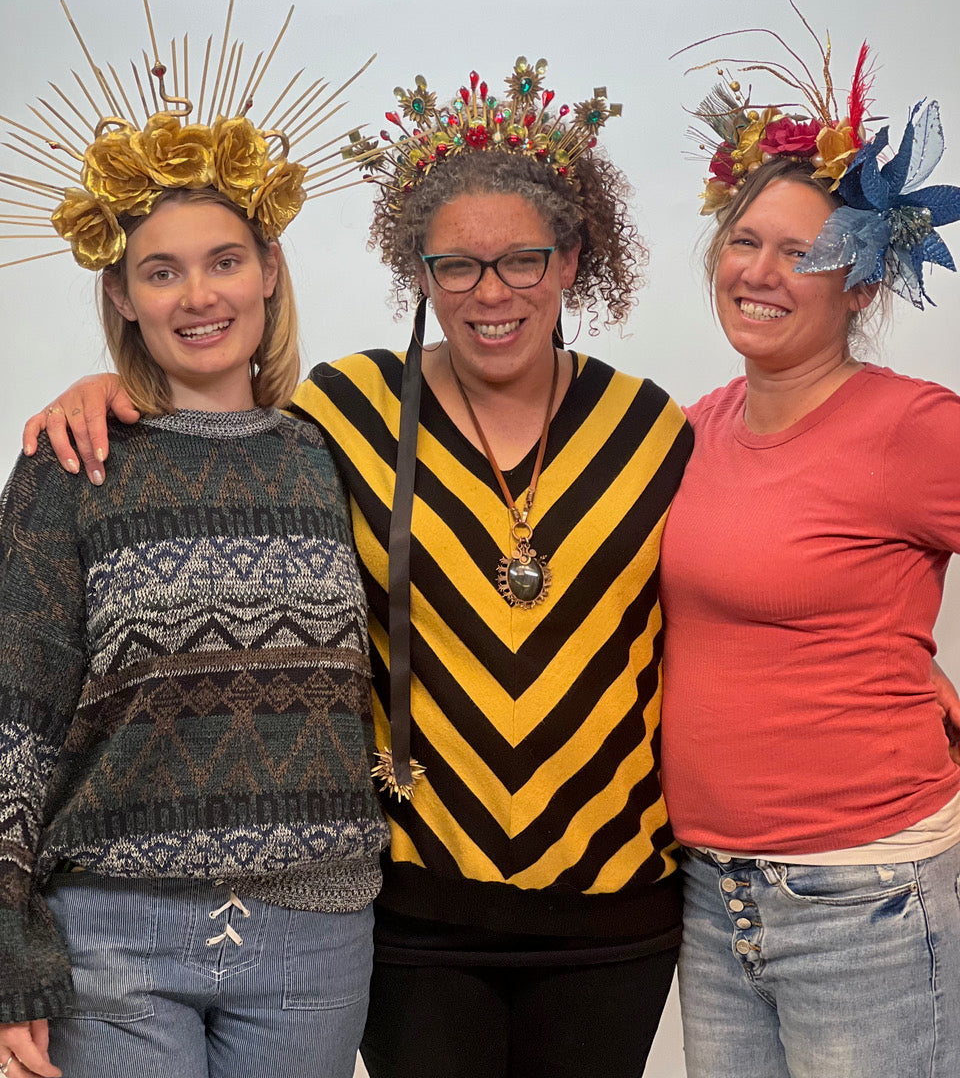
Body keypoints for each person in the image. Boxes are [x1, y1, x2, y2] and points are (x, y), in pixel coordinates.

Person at [25, 60, 693, 1077]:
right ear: (418, 270)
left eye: (523, 259)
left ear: (571, 259)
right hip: (413, 900)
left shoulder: (653, 427)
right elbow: (208, 438)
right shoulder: (345, 413)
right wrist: (99, 389)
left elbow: (729, 600)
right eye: (456, 265)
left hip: (610, 898)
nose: (492, 291)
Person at [0, 0, 387, 1078]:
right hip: (112, 933)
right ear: (122, 295)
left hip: (316, 931)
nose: (197, 295)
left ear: (269, 270)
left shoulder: (334, 451)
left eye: (223, 260)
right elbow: (13, 718)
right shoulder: (71, 464)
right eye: (160, 271)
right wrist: (9, 956)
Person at [660, 13, 960, 1077]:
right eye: (746, 242)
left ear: (863, 284)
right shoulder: (691, 430)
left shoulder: (912, 428)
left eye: (803, 254)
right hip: (714, 894)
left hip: (867, 893)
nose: (762, 271)